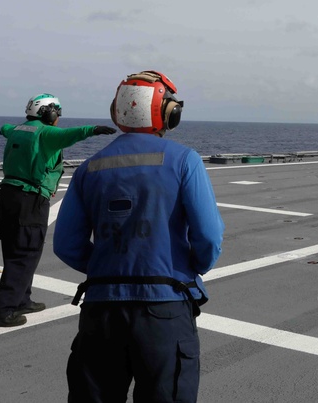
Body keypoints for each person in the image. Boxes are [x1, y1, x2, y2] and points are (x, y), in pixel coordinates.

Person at [53, 71, 224, 402]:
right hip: (165, 311)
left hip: (101, 310)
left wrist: (110, 268)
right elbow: (209, 237)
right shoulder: (184, 161)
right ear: (168, 113)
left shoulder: (89, 168)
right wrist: (191, 268)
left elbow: (66, 245)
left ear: (117, 112)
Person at [0, 94, 116, 327]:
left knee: (14, 250)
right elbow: (71, 134)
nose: (58, 120)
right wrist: (94, 129)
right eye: (57, 114)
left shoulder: (17, 130)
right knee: (26, 254)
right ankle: (1, 308)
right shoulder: (46, 134)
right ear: (49, 113)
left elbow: (4, 128)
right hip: (30, 199)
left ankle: (22, 298)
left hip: (8, 197)